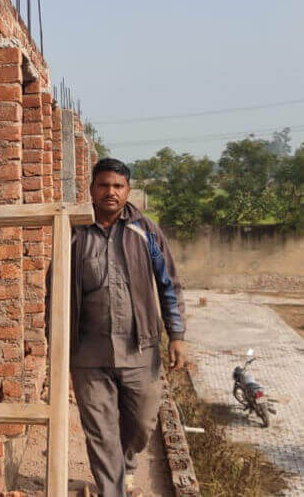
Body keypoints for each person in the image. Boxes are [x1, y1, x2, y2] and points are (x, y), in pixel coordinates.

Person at [66, 158, 187, 497]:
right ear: (91, 189)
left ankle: (126, 464)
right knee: (100, 432)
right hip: (88, 352)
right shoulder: (73, 233)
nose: (111, 192)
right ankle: (113, 489)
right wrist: (56, 344)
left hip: (140, 348)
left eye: (118, 186)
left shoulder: (146, 231)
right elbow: (55, 289)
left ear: (128, 191)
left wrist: (176, 335)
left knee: (142, 421)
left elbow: (169, 284)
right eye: (104, 185)